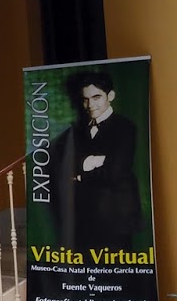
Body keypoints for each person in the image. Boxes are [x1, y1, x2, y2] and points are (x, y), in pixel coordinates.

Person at [51, 70, 142, 248]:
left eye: (96, 97)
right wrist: (91, 162)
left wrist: (79, 175)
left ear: (111, 96)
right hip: (84, 218)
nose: (90, 105)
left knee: (117, 263)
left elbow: (114, 173)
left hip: (116, 218)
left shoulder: (125, 127)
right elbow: (65, 165)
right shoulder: (77, 130)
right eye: (85, 99)